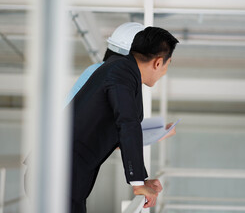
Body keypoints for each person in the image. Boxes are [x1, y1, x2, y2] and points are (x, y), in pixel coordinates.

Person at [69, 26, 179, 212]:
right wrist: (137, 182)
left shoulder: (120, 71)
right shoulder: (121, 73)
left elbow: (119, 130)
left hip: (67, 173)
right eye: (169, 64)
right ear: (158, 63)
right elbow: (127, 123)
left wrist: (141, 179)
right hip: (59, 172)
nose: (165, 71)